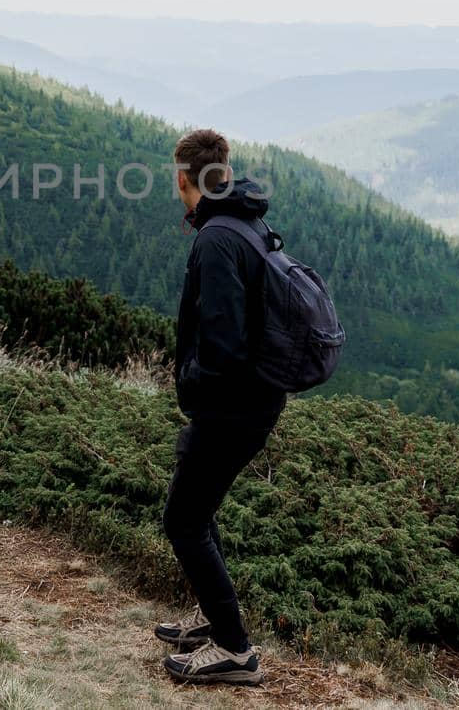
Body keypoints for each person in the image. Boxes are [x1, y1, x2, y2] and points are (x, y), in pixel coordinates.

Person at [155, 128, 287, 686]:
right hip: (256, 399)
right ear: (224, 174)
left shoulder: (214, 241)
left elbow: (223, 344)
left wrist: (192, 385)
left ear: (184, 179)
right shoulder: (246, 223)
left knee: (182, 520)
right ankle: (216, 623)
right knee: (199, 511)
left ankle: (235, 651)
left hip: (232, 406)